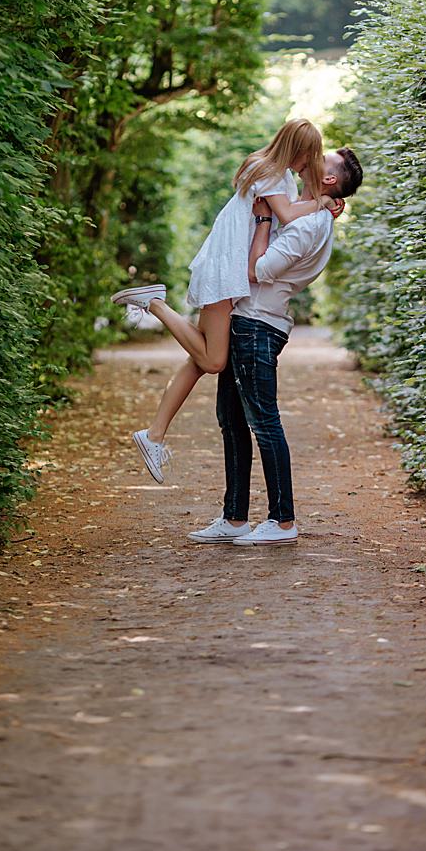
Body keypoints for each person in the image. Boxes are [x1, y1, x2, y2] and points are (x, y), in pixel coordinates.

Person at [113, 119, 338, 482]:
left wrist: (319, 203)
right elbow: (287, 215)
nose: (311, 162)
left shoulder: (266, 167)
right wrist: (325, 202)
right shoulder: (272, 173)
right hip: (227, 267)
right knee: (214, 360)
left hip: (226, 263)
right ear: (298, 150)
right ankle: (155, 303)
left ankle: (153, 435)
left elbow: (286, 216)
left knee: (201, 359)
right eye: (310, 155)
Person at [185, 145, 364, 546]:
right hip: (245, 320)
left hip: (258, 326)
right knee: (231, 420)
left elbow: (257, 269)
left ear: (330, 179)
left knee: (264, 422)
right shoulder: (305, 211)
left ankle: (283, 520)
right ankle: (234, 518)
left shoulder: (308, 225)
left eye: (323, 157)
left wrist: (264, 218)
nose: (312, 155)